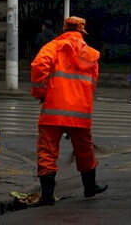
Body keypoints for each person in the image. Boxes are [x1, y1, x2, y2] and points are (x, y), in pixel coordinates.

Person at [30, 16, 108, 206]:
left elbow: (38, 66)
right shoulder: (91, 55)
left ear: (64, 29)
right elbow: (92, 84)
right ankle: (90, 187)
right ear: (82, 32)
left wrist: (40, 93)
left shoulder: (52, 47)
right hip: (80, 113)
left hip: (54, 110)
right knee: (85, 150)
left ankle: (47, 195)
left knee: (47, 152)